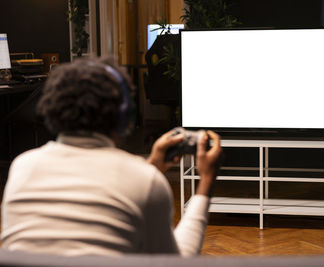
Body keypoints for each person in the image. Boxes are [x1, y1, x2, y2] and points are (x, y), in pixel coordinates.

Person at [1, 57, 222, 257]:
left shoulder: (23, 167)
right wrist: (206, 181)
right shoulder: (145, 180)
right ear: (125, 117)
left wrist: (153, 165)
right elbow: (176, 262)